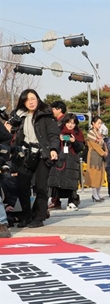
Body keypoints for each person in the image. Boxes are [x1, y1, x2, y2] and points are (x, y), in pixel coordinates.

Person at [13, 89, 60, 228]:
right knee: (22, 186)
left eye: (33, 98)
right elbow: (10, 134)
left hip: (41, 154)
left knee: (40, 187)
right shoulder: (19, 117)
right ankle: (27, 216)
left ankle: (39, 217)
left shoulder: (46, 115)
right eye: (27, 100)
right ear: (23, 102)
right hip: (24, 154)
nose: (31, 102)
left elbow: (54, 135)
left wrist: (53, 149)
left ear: (38, 99)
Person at [48, 113, 83, 210]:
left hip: (72, 160)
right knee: (56, 180)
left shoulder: (77, 132)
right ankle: (55, 201)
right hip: (59, 159)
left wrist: (73, 141)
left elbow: (80, 147)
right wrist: (59, 139)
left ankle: (72, 201)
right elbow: (52, 142)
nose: (70, 125)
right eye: (68, 122)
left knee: (71, 182)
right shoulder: (58, 131)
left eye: (73, 123)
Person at [85, 116, 108, 202]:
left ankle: (98, 194)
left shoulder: (100, 134)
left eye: (100, 123)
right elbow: (95, 146)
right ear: (93, 123)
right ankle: (94, 195)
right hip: (94, 156)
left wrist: (106, 150)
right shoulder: (91, 133)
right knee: (94, 175)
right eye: (98, 123)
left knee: (100, 175)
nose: (99, 125)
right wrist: (103, 152)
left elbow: (103, 143)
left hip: (100, 157)